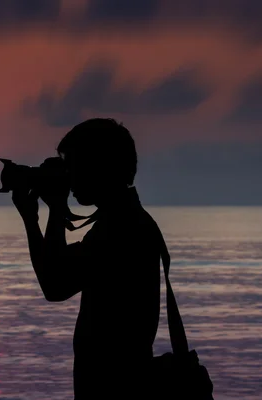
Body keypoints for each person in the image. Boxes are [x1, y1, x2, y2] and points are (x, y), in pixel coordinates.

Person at [12, 118, 163, 398]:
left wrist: (48, 212)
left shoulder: (121, 229)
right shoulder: (124, 222)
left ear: (99, 167)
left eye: (73, 166)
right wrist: (38, 215)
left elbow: (55, 284)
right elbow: (57, 275)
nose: (69, 177)